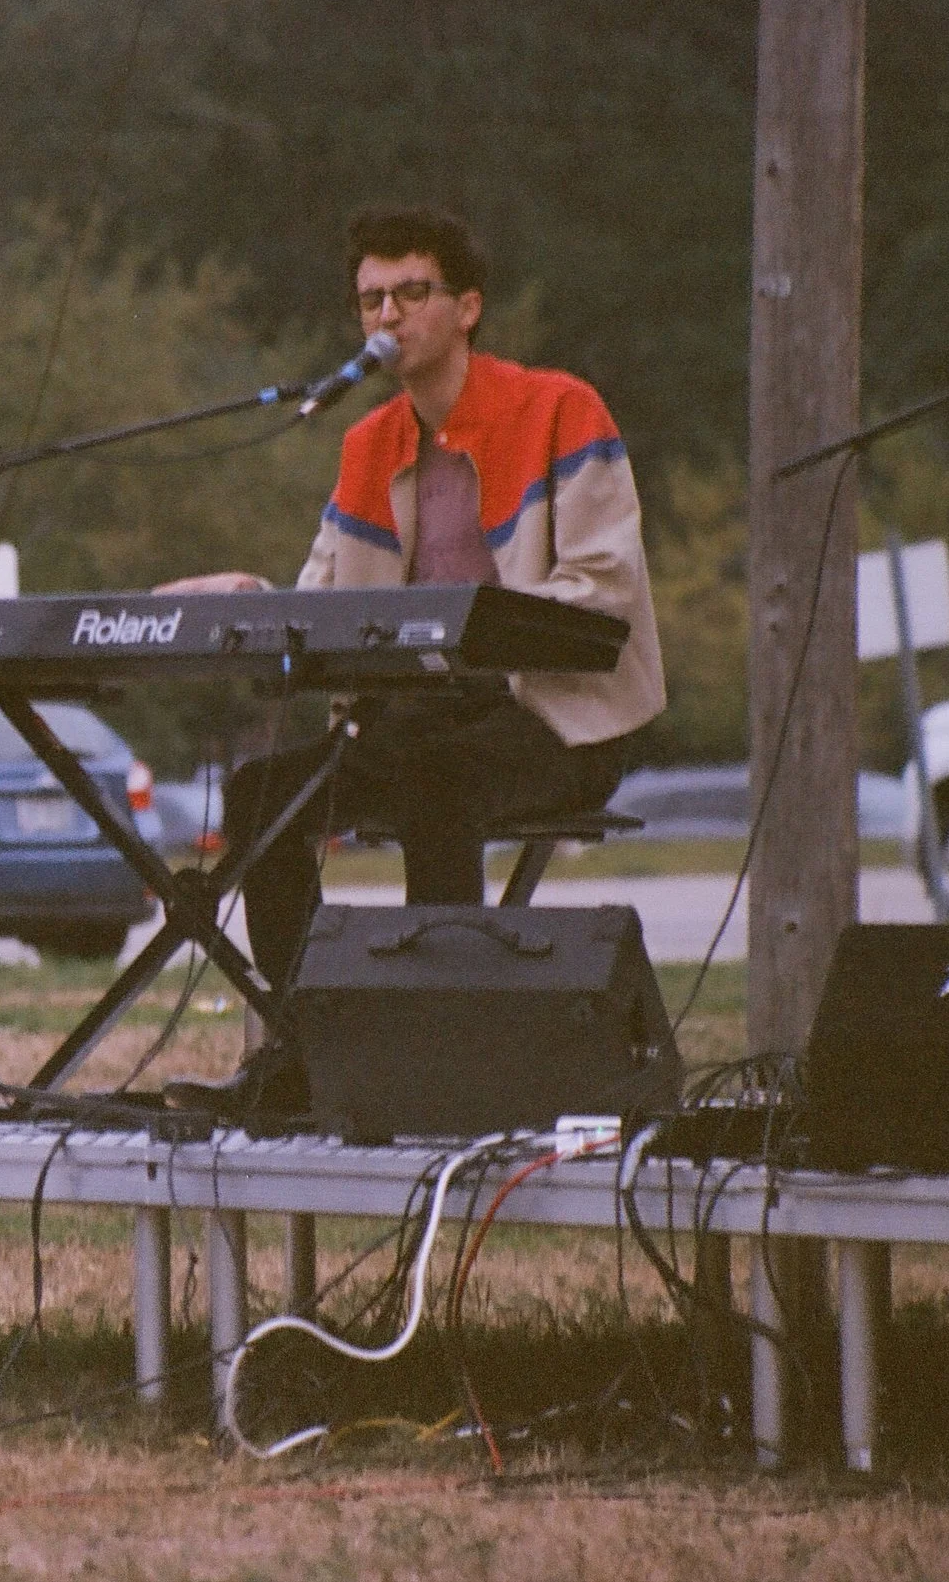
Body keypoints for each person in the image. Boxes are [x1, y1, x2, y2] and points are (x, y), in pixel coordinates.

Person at [161, 205, 664, 1100]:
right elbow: (324, 607)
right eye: (370, 301)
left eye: (411, 294)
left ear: (466, 307)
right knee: (259, 795)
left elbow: (603, 591)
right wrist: (249, 604)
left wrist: (464, 634)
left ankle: (442, 1052)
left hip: (554, 721)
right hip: (416, 724)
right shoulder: (368, 446)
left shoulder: (558, 409)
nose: (388, 317)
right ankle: (305, 1050)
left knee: (440, 780)